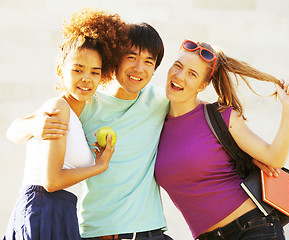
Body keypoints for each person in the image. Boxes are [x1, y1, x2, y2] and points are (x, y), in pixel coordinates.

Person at [5, 14, 173, 240]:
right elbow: (14, 130)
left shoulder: (161, 102)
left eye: (148, 62)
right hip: (81, 227)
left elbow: (197, 108)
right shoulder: (84, 104)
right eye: (131, 57)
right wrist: (35, 125)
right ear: (115, 61)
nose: (138, 68)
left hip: (144, 231)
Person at [154, 39, 289, 240]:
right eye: (178, 65)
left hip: (252, 228)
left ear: (203, 85)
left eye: (192, 74)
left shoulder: (221, 115)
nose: (179, 76)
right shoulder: (154, 121)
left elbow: (274, 158)